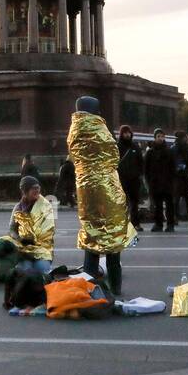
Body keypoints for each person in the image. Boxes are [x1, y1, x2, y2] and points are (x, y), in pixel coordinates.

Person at [67, 96, 135, 296]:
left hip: (85, 192)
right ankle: (116, 287)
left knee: (92, 237)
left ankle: (88, 287)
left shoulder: (73, 131)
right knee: (112, 239)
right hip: (107, 191)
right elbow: (113, 156)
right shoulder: (99, 128)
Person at [9, 175, 56, 275]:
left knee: (42, 270)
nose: (37, 190)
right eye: (33, 188)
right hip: (24, 251)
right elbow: (11, 229)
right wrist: (19, 239)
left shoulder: (46, 206)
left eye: (38, 188)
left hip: (42, 250)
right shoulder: (18, 208)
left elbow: (49, 231)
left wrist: (34, 240)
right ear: (25, 191)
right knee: (25, 271)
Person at [144, 128, 175, 232]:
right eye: (158, 136)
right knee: (158, 205)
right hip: (155, 182)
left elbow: (173, 168)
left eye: (162, 136)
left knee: (169, 205)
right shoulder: (150, 153)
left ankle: (170, 224)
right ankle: (158, 224)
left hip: (167, 182)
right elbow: (146, 169)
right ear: (155, 138)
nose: (161, 138)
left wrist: (172, 180)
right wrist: (149, 181)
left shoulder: (169, 152)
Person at [116, 125, 144, 229]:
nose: (127, 134)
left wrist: (140, 174)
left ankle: (135, 223)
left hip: (134, 179)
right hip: (122, 179)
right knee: (122, 203)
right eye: (125, 133)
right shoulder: (118, 147)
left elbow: (141, 162)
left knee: (134, 202)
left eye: (128, 133)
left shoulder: (135, 147)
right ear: (121, 134)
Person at [172, 130, 188, 223]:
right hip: (184, 175)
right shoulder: (184, 147)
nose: (187, 139)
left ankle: (174, 217)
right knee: (187, 197)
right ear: (183, 137)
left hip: (175, 175)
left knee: (176, 198)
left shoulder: (173, 147)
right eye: (186, 137)